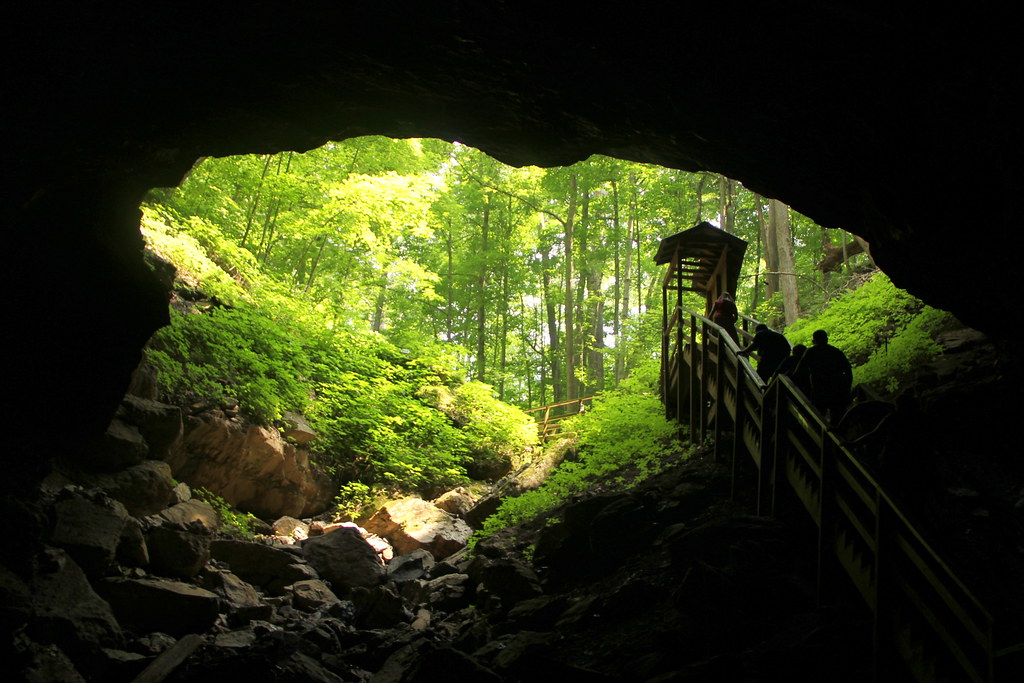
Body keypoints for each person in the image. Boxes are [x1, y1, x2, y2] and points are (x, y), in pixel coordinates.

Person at [795, 329, 852, 423]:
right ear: (826, 339)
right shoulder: (835, 352)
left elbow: (799, 370)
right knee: (837, 417)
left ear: (814, 341)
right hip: (837, 388)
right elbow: (847, 370)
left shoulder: (810, 352)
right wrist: (847, 387)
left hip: (819, 389)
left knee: (817, 417)